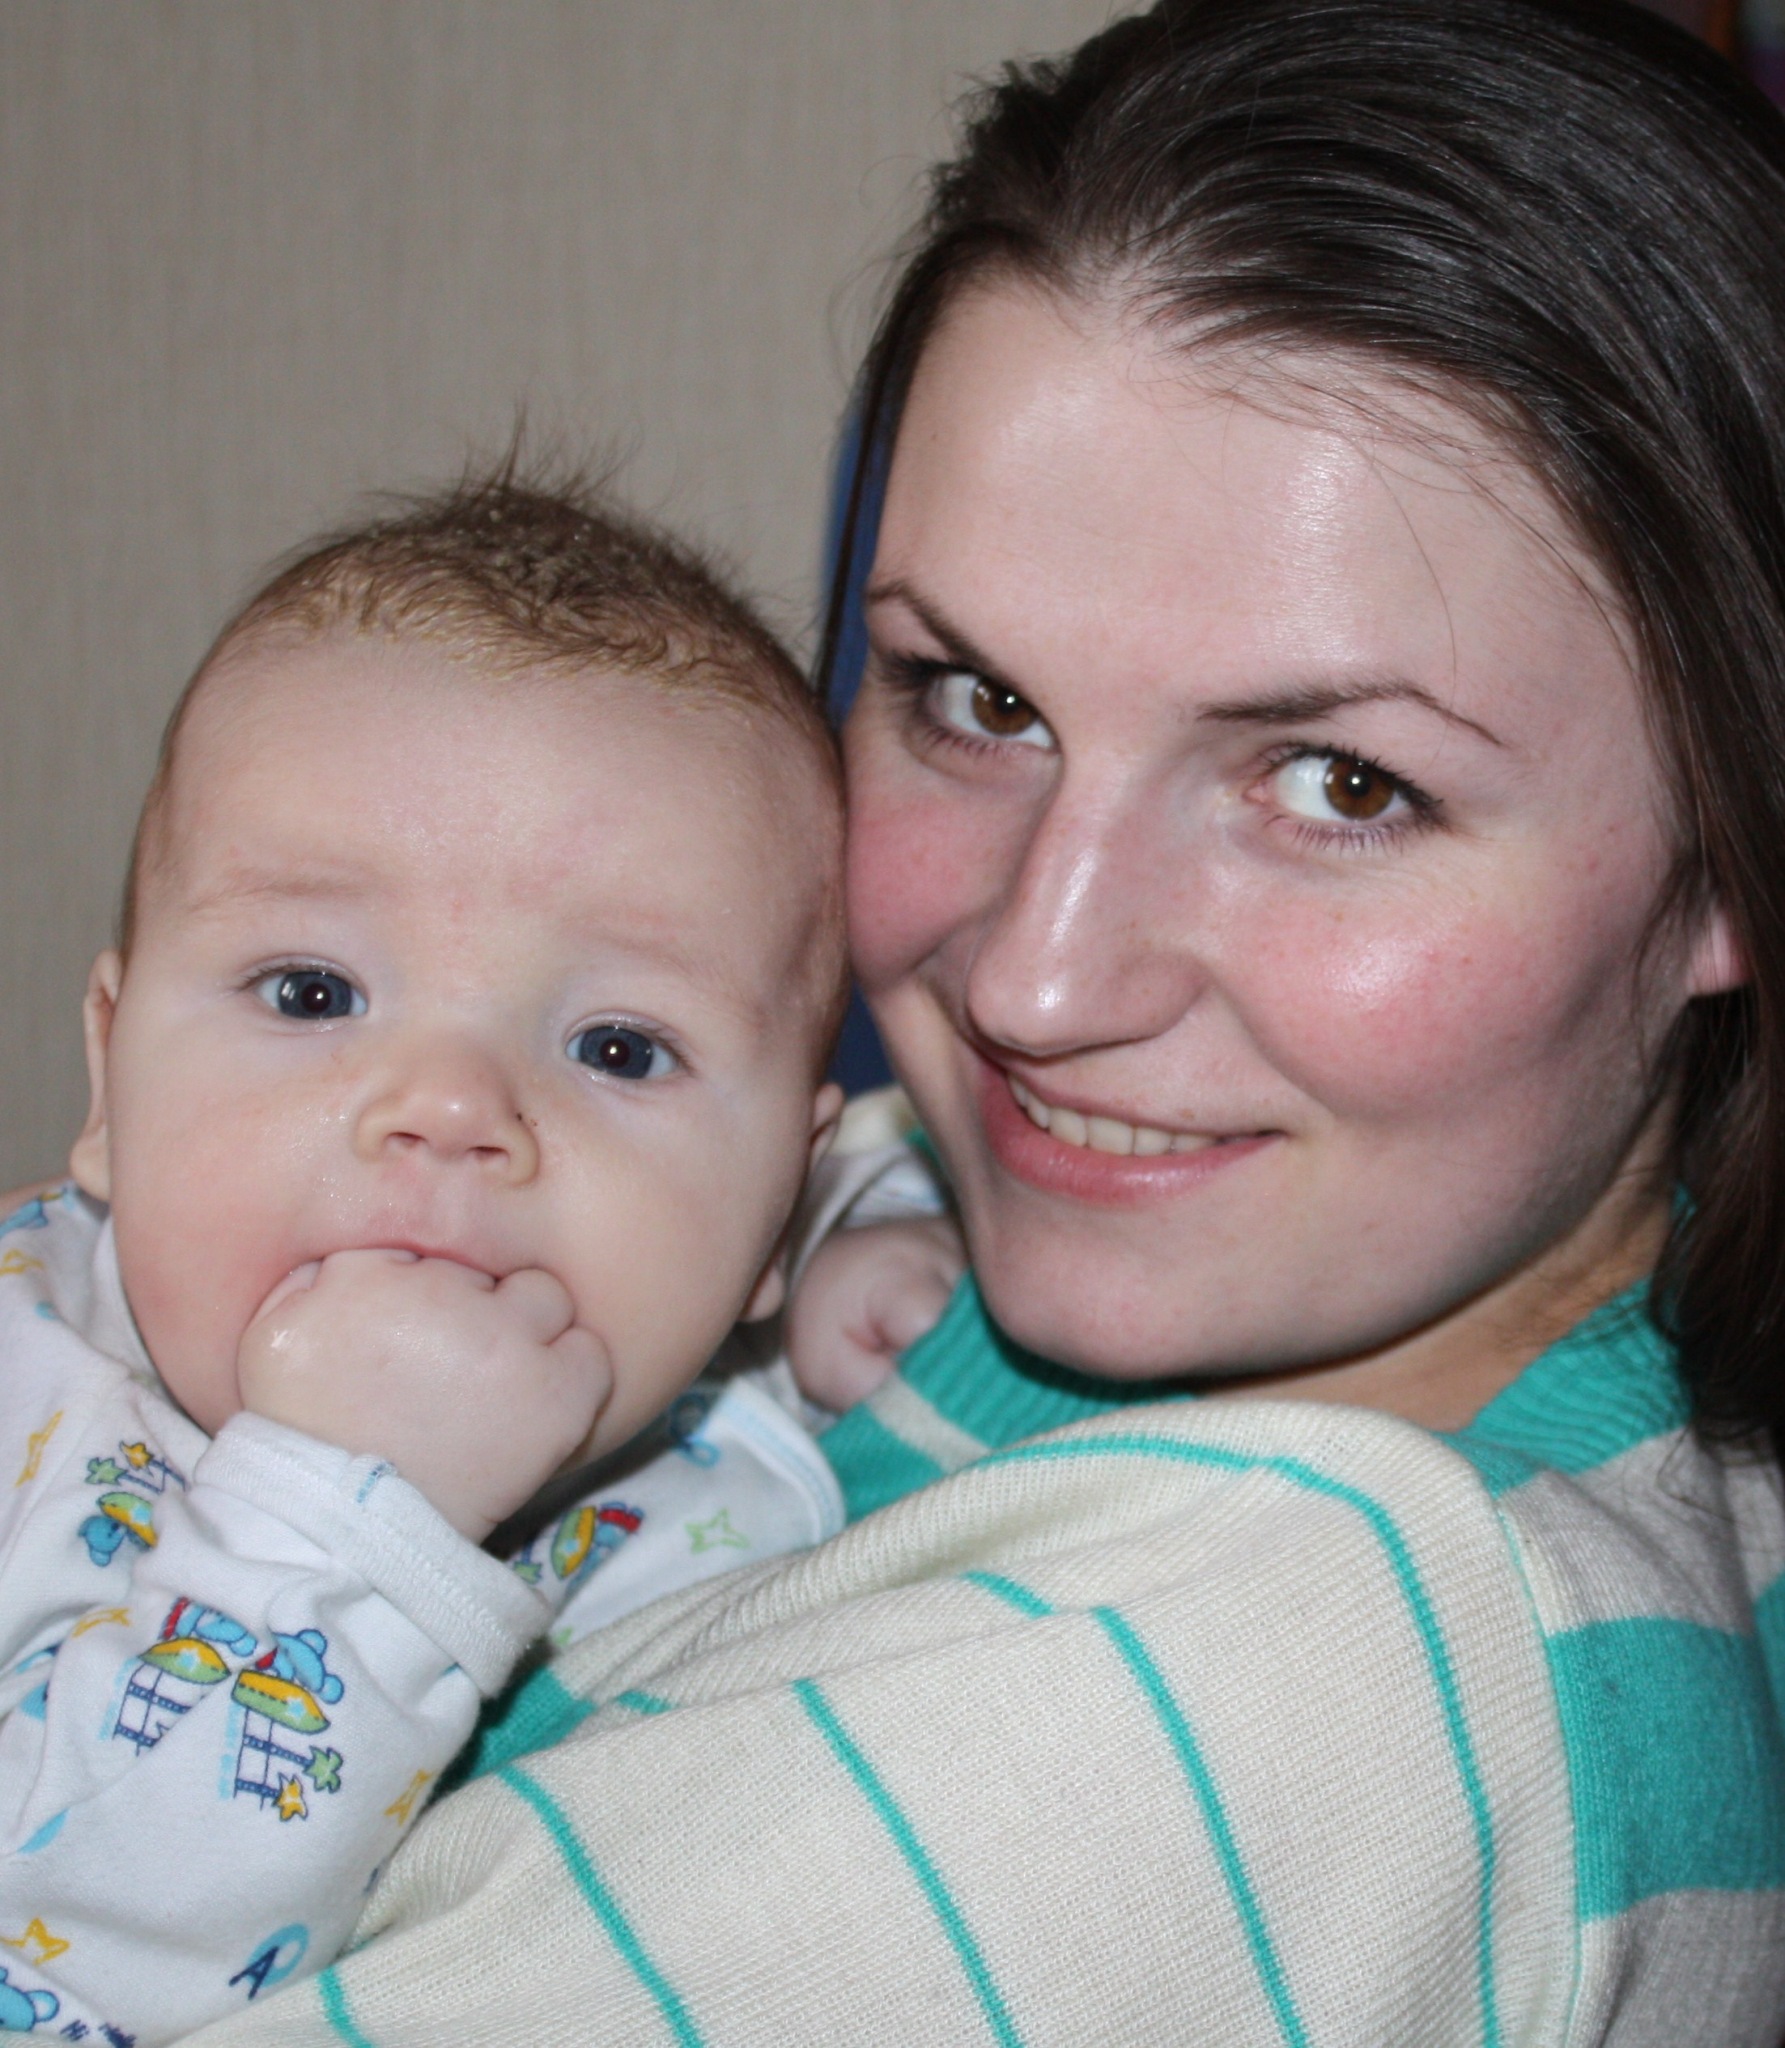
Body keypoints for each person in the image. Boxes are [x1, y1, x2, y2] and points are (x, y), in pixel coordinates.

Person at [190, 0, 1785, 2041]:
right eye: (976, 701)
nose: (1033, 978)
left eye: (1338, 784)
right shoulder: (929, 1249)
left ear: (1729, 858)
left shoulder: (1202, 1720)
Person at [0, 469, 853, 2044]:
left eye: (618, 1046)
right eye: (312, 994)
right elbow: (68, 1964)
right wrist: (344, 1508)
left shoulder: (741, 1492)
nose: (451, 1108)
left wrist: (883, 1258)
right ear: (109, 1085)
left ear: (775, 1213)